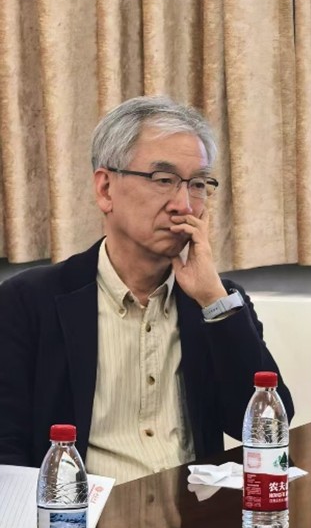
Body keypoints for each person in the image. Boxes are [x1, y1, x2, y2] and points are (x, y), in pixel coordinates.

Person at [0, 95, 293, 483]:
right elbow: (7, 450)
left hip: (192, 513)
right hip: (85, 515)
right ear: (106, 189)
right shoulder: (27, 302)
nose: (183, 205)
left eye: (198, 184)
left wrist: (213, 301)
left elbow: (269, 430)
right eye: (163, 180)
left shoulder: (217, 303)